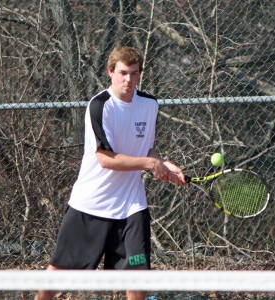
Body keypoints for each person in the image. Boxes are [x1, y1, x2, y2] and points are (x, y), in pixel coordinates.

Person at [35, 46, 186, 300]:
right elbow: (105, 159)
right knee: (58, 271)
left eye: (134, 74)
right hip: (91, 204)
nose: (129, 79)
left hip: (131, 206)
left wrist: (165, 163)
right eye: (123, 73)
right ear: (110, 72)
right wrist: (149, 164)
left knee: (136, 275)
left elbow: (148, 148)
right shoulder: (99, 106)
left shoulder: (149, 105)